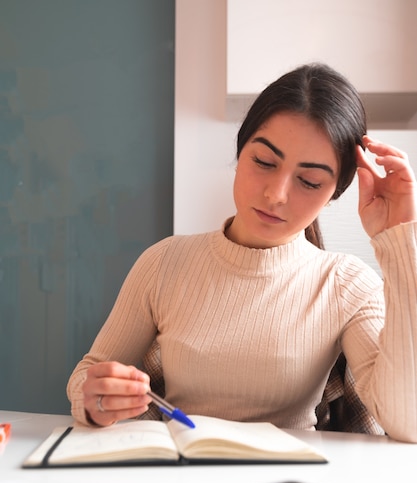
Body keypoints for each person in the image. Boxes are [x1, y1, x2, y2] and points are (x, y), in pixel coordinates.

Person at [67, 63, 417, 442]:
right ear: (240, 150)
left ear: (334, 192)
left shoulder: (347, 285)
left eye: (309, 181)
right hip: (175, 478)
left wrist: (399, 239)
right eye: (264, 162)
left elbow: (408, 421)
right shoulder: (163, 263)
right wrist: (94, 401)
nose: (276, 194)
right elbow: (91, 371)